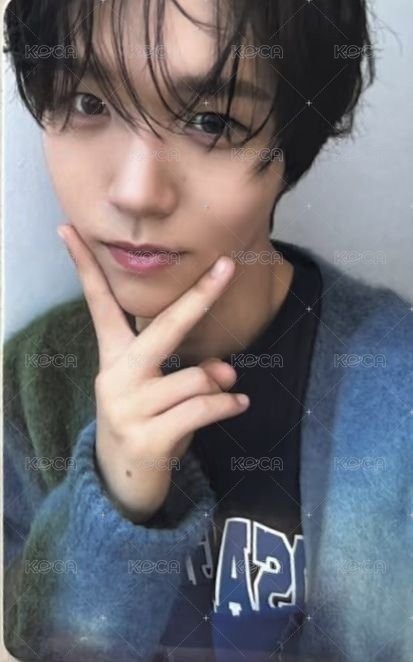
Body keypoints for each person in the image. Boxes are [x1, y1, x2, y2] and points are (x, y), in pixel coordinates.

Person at [3, 1, 413, 661]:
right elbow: (40, 644)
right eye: (87, 102)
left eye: (211, 120)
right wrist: (114, 496)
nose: (136, 192)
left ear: (291, 142)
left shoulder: (397, 384)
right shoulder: (32, 383)